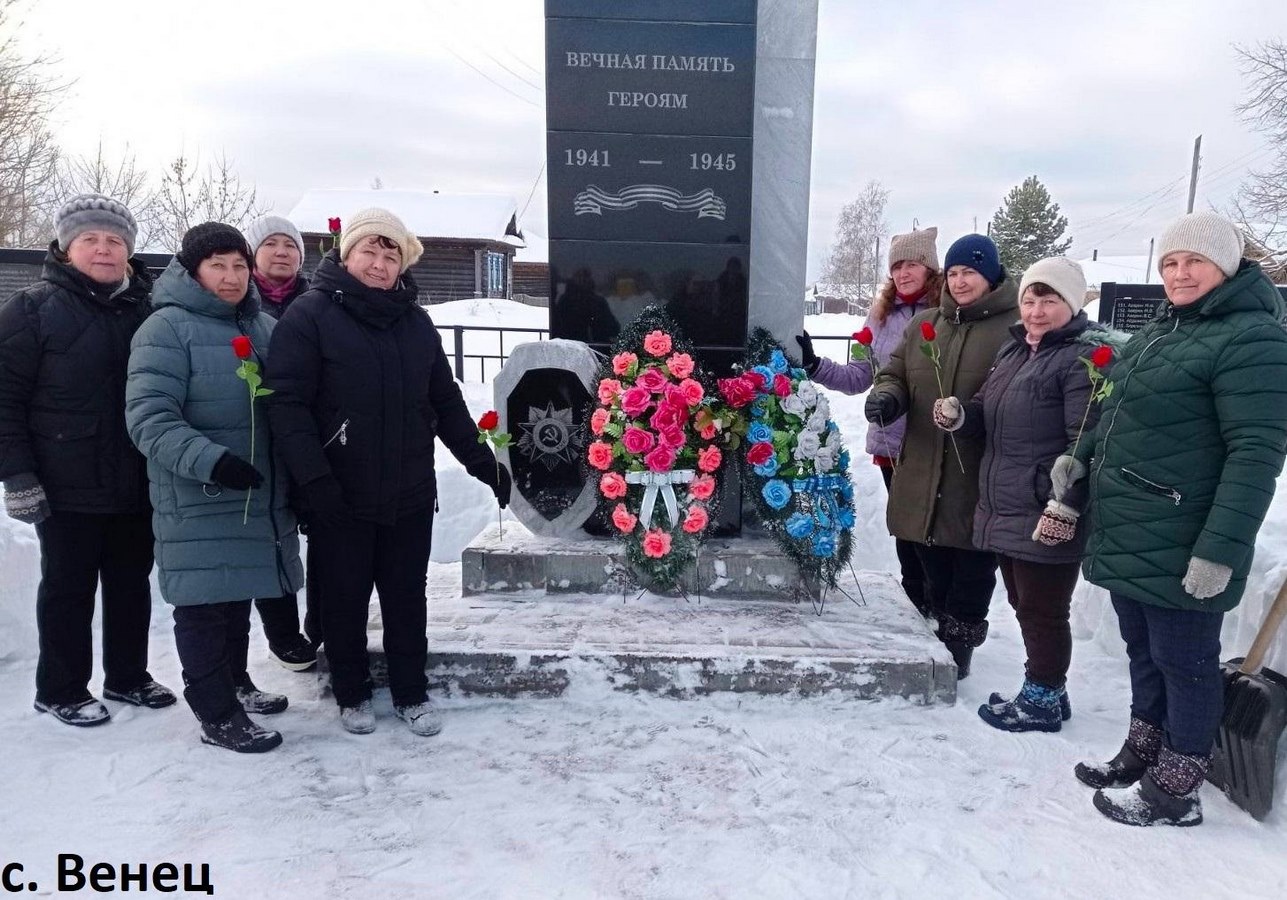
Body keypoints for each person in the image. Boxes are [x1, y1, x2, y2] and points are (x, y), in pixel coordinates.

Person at [1054, 211, 1287, 826]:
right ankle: (1143, 751)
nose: (1180, 274)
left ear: (1226, 266)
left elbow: (1256, 453)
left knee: (1186, 663)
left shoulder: (1254, 339)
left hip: (1186, 535)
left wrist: (1219, 550)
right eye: (1170, 263)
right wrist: (1080, 459)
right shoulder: (1164, 330)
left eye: (1194, 261)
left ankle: (1178, 785)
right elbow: (1114, 412)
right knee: (1144, 651)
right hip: (1131, 527)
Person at [265, 208, 511, 737]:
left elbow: (444, 401)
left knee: (406, 600)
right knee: (344, 600)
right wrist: (315, 483)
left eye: (390, 254)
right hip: (340, 494)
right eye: (369, 251)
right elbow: (287, 407)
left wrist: (483, 463)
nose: (379, 264)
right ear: (347, 253)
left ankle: (410, 692)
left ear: (403, 263)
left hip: (409, 492)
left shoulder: (415, 322)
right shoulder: (309, 316)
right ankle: (351, 693)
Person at [126, 222, 305, 753]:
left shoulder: (263, 327)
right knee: (204, 603)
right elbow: (149, 419)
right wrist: (213, 461)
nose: (230, 277)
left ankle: (237, 683)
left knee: (237, 595)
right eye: (217, 266)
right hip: (199, 495)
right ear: (193, 270)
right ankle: (217, 713)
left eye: (238, 266)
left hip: (257, 493)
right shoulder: (165, 329)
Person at [0, 194, 175, 726]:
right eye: (90, 239)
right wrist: (17, 475)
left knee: (130, 584)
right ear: (66, 247)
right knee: (68, 589)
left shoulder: (147, 311)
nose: (104, 249)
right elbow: (5, 398)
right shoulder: (31, 309)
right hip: (64, 483)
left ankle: (127, 676)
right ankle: (60, 688)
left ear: (129, 250)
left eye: (115, 240)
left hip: (134, 478)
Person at [933, 257, 1104, 729]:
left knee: (1043, 610)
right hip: (1006, 504)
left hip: (1045, 507)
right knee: (1024, 605)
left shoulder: (1079, 360)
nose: (1036, 310)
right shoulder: (1015, 352)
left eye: (1049, 300)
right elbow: (986, 410)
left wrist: (1064, 506)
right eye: (1029, 299)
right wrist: (961, 415)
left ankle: (1042, 699)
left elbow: (1085, 440)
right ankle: (1048, 690)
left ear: (1072, 304)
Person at [864, 233, 1018, 678]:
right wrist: (888, 398)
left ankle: (959, 646)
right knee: (929, 556)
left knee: (971, 564)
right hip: (925, 461)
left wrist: (972, 415)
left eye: (970, 272)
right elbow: (895, 372)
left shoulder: (1014, 327)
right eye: (954, 273)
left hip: (978, 469)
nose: (960, 281)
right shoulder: (925, 324)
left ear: (990, 276)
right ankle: (934, 631)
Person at [795, 227, 941, 616]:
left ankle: (940, 604)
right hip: (892, 438)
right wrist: (815, 365)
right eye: (896, 266)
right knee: (904, 525)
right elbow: (860, 376)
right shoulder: (879, 317)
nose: (903, 273)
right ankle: (916, 602)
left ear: (929, 268)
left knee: (933, 527)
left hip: (936, 439)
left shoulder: (947, 312)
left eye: (912, 264)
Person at [242, 215, 317, 671]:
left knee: (311, 535)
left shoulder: (315, 302)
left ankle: (317, 624)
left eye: (290, 245)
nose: (281, 252)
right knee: (265, 536)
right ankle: (283, 634)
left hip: (308, 435)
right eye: (270, 243)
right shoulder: (235, 301)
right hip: (255, 436)